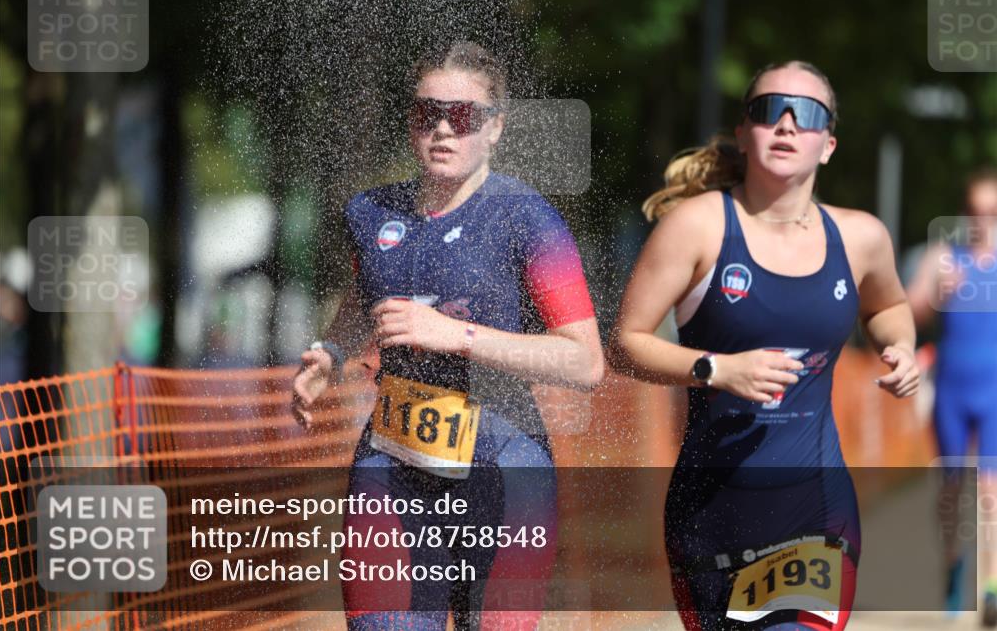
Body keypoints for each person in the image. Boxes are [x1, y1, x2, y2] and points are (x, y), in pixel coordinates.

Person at [290, 41, 604, 630]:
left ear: (494, 128)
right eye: (424, 113)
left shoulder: (526, 217)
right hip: (390, 468)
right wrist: (331, 354)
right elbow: (366, 301)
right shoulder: (370, 212)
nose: (441, 129)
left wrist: (455, 334)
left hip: (504, 476)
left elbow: (584, 362)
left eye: (461, 116)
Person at [610, 61, 918, 630]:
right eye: (767, 110)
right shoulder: (697, 227)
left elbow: (889, 306)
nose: (785, 125)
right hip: (710, 511)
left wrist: (897, 345)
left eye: (806, 115)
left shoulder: (860, 237)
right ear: (744, 130)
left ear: (828, 144)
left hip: (816, 509)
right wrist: (716, 369)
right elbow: (624, 343)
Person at [907, 168, 997, 625]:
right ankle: (953, 567)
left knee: (990, 490)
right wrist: (933, 297)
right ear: (965, 214)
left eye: (994, 213)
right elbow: (904, 311)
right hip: (953, 390)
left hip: (994, 390)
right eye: (977, 212)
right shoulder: (944, 258)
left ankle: (991, 586)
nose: (985, 222)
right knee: (952, 489)